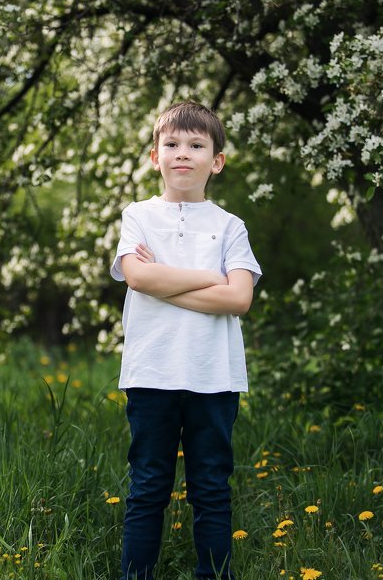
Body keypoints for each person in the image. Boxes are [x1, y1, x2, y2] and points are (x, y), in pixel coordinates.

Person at [109, 101, 262, 580]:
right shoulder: (137, 216)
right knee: (148, 485)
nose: (182, 153)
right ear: (155, 156)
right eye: (171, 144)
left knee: (211, 486)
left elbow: (238, 299)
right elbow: (136, 277)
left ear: (215, 161)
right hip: (151, 372)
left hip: (213, 376)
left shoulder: (229, 226)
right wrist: (205, 279)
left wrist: (166, 279)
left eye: (196, 145)